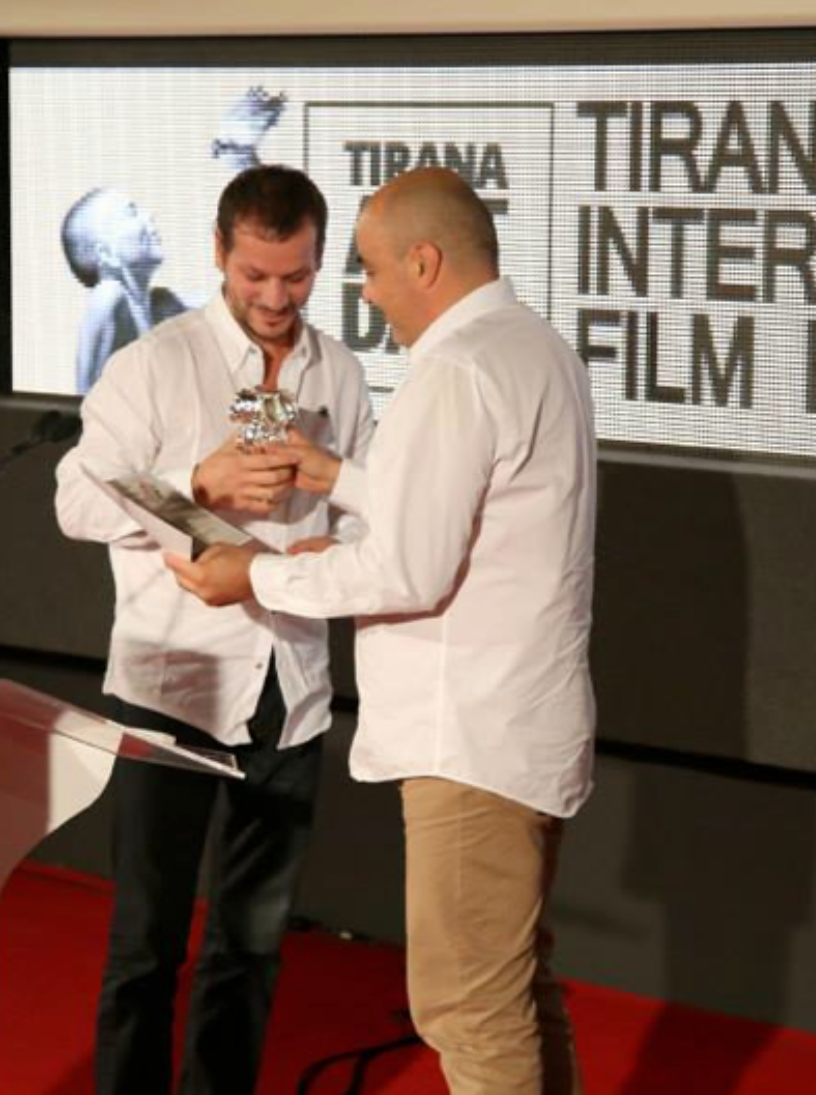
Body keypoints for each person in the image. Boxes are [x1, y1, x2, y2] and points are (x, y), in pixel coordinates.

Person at [169, 167, 597, 1095]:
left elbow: (407, 566)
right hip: (519, 727)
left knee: (467, 1010)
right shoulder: (535, 347)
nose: (364, 292)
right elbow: (468, 511)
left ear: (426, 260)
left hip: (470, 740)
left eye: (368, 268)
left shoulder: (456, 368)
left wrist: (255, 573)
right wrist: (337, 475)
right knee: (513, 988)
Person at [54, 165, 374, 1095]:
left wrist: (313, 564)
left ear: (321, 262)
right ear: (220, 257)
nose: (276, 299)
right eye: (254, 277)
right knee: (146, 943)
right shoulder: (158, 362)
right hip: (172, 681)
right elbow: (76, 495)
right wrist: (196, 486)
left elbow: (367, 519)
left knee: (253, 943)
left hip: (293, 688)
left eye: (298, 276)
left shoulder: (339, 371)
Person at [61, 187, 187, 393]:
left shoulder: (164, 304)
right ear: (107, 254)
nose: (149, 216)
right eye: (131, 213)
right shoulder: (109, 296)